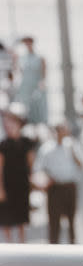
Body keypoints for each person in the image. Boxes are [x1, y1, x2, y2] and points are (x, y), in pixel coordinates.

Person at [32, 120, 83, 244]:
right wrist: (45, 181)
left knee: (71, 218)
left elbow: (81, 164)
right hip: (55, 187)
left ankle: (73, 246)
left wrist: (72, 151)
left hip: (70, 186)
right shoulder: (47, 148)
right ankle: (53, 248)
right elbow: (38, 168)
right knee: (54, 220)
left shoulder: (72, 145)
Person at [0, 102, 37, 243]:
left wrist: (32, 181)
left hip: (21, 185)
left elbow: (31, 164)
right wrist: (1, 188)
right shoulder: (3, 145)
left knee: (21, 219)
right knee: (6, 221)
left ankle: (22, 246)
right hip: (8, 186)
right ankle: (10, 248)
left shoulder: (26, 142)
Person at [14, 35, 48, 127]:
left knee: (38, 110)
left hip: (36, 87)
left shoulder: (40, 58)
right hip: (25, 88)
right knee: (26, 110)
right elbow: (19, 72)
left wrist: (41, 85)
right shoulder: (22, 58)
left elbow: (44, 74)